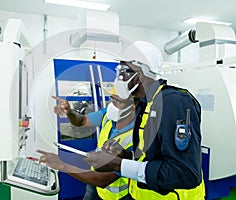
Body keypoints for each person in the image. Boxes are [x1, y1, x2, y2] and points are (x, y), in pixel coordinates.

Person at [84, 41, 205, 199]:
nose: (118, 79)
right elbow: (153, 156)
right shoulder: (144, 105)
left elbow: (185, 173)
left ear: (138, 76)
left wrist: (118, 164)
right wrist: (125, 155)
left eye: (122, 72)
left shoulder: (172, 102)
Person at [37, 87, 137, 200]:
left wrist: (62, 165)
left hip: (118, 195)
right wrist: (69, 112)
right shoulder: (107, 115)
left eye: (119, 101)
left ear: (134, 106)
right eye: (112, 99)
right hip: (95, 186)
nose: (112, 105)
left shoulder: (137, 136)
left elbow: (104, 180)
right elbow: (81, 121)